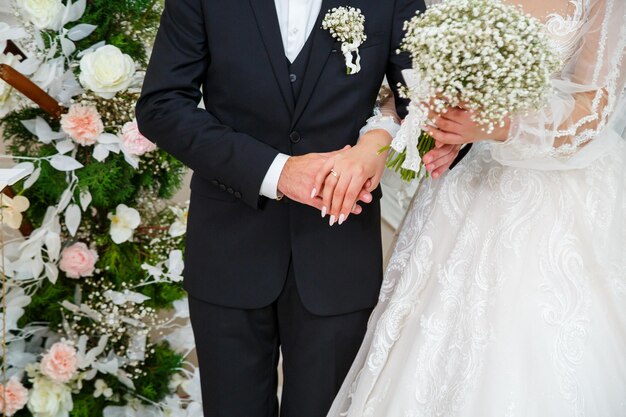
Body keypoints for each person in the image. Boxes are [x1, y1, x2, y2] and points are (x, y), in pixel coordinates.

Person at [135, 0, 462, 416]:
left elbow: (426, 101)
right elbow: (161, 106)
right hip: (227, 247)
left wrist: (380, 140)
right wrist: (277, 172)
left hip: (338, 250)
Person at [322, 0, 626, 415]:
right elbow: (411, 82)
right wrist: (443, 126)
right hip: (466, 181)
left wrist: (502, 126)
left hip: (557, 193)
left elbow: (593, 110)